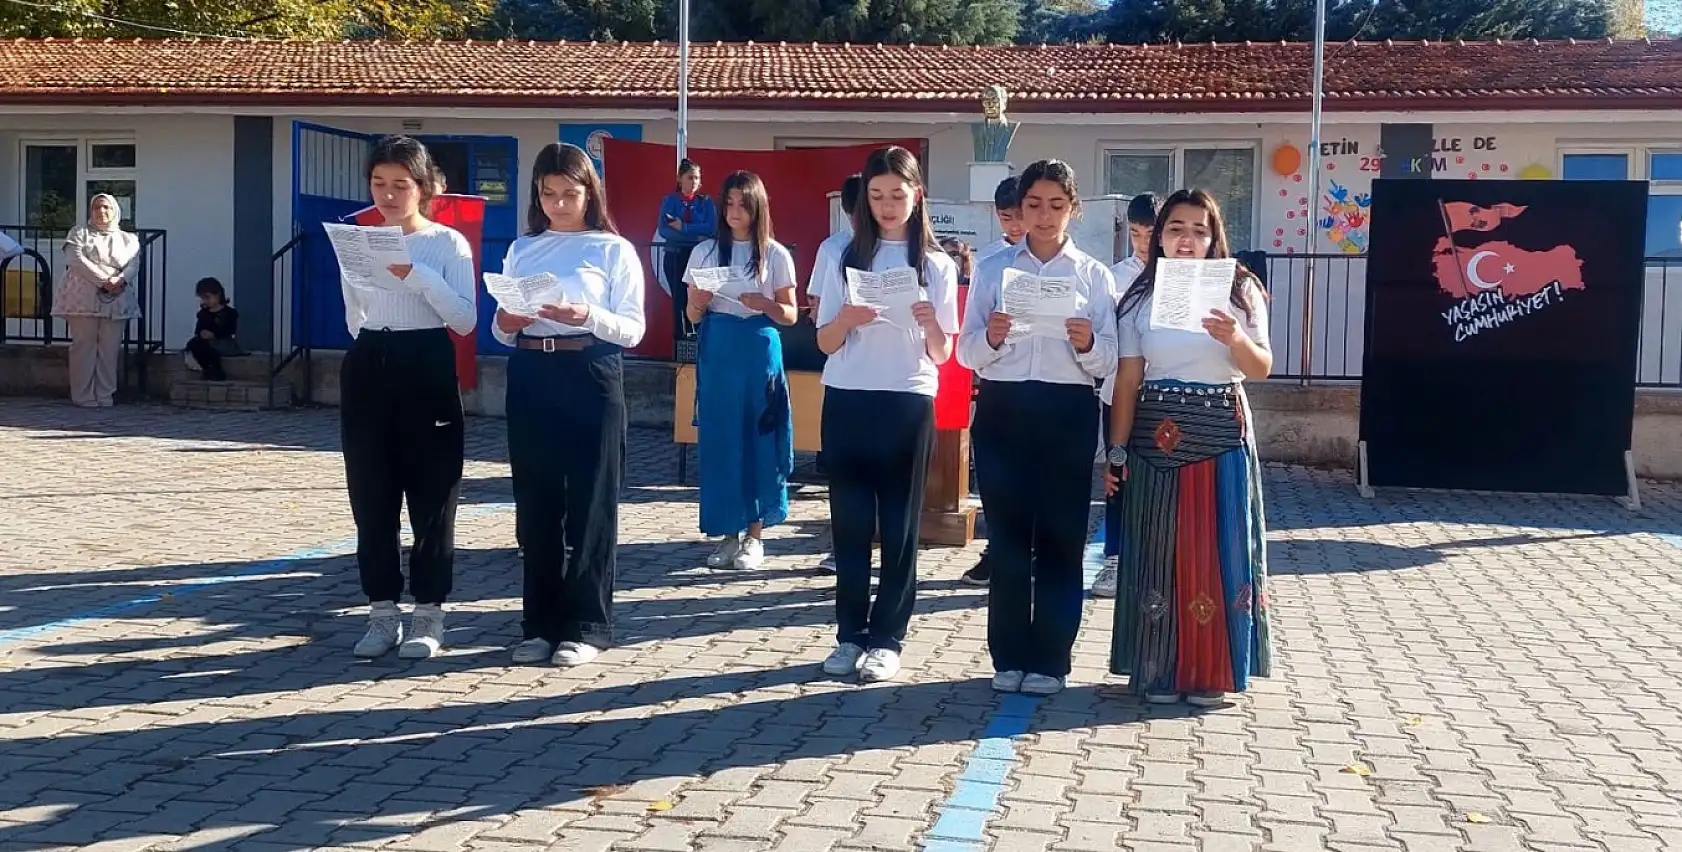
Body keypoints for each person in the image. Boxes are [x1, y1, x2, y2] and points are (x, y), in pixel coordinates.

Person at [1106, 188, 1274, 707]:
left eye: (1200, 229)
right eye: (1177, 228)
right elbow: (1128, 380)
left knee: (1219, 551)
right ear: (1161, 236)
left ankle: (1211, 671)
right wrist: (1116, 453)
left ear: (1214, 236)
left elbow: (1262, 367)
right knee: (1158, 553)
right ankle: (1158, 669)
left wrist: (1234, 339)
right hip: (1155, 438)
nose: (1187, 239)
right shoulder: (1139, 295)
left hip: (1221, 434)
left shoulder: (1241, 290)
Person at [959, 159, 1118, 695]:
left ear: (1072, 209)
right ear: (1018, 210)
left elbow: (1110, 361)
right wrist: (995, 337)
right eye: (1033, 205)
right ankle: (1007, 656)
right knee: (1006, 539)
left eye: (1055, 205)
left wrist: (1089, 344)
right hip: (1003, 410)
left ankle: (1051, 659)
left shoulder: (1094, 275)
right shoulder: (991, 268)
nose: (1044, 216)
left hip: (1066, 412)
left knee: (1060, 539)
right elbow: (967, 352)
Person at [812, 145, 959, 683]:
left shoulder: (936, 264)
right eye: (876, 196)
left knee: (899, 526)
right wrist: (847, 318)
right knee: (849, 524)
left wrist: (929, 323)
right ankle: (849, 634)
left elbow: (945, 353)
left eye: (897, 195)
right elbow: (824, 341)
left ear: (916, 195)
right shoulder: (840, 254)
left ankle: (888, 637)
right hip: (849, 396)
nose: (887, 206)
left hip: (907, 399)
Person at [496, 142, 646, 668]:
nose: (559, 203)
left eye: (570, 193)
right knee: (535, 503)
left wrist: (585, 314)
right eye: (548, 193)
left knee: (591, 500)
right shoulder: (523, 248)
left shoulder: (612, 249)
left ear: (589, 194)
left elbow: (633, 327)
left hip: (591, 371)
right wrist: (508, 323)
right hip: (533, 370)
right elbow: (501, 324)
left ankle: (586, 625)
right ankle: (538, 623)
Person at [340, 135, 477, 661]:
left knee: (432, 495)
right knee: (371, 496)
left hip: (426, 360)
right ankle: (381, 612)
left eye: (401, 185)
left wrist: (418, 279)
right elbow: (354, 312)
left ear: (423, 188)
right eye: (379, 184)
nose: (389, 196)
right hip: (371, 360)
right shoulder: (358, 237)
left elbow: (464, 319)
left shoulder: (445, 244)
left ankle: (429, 613)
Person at [684, 170, 798, 571]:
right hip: (719, 348)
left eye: (742, 205)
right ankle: (726, 534)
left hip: (758, 349)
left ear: (757, 208)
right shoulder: (705, 252)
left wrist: (764, 304)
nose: (734, 212)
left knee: (758, 439)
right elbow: (691, 314)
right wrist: (699, 300)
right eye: (728, 204)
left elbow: (790, 313)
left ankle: (755, 534)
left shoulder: (775, 254)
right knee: (722, 440)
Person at [1092, 192, 1162, 599]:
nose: (1141, 243)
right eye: (1135, 234)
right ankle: (1115, 559)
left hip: (1163, 396)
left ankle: (1155, 559)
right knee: (1118, 476)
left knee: (1160, 477)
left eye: (1149, 233)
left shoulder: (1181, 278)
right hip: (1117, 394)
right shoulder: (1113, 277)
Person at [960, 175, 1027, 587]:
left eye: (1022, 215)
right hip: (999, 384)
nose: (1016, 226)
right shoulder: (989, 264)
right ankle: (997, 549)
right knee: (998, 479)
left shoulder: (1072, 266)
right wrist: (991, 338)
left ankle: (1030, 553)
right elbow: (970, 340)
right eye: (1007, 218)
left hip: (1045, 387)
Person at [808, 173, 863, 575]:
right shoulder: (834, 248)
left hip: (892, 380)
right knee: (845, 474)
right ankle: (840, 547)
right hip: (843, 366)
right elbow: (815, 303)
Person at [53, 194, 139, 408]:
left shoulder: (128, 239)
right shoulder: (79, 233)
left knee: (110, 348)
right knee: (84, 345)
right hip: (83, 296)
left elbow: (133, 264)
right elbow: (76, 260)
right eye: (97, 208)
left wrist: (118, 280)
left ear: (115, 211)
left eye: (106, 208)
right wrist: (103, 280)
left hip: (116, 295)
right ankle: (83, 395)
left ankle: (105, 394)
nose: (102, 212)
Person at [658, 159, 717, 335]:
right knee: (679, 299)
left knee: (700, 298)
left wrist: (683, 227)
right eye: (690, 177)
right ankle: (680, 342)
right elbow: (664, 230)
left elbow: (711, 228)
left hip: (698, 257)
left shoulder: (705, 202)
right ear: (680, 179)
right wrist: (696, 234)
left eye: (697, 178)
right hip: (675, 255)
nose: (694, 182)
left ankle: (701, 338)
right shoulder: (670, 201)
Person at [184, 277, 244, 382]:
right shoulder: (203, 314)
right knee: (196, 344)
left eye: (208, 297)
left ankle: (216, 371)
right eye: (203, 298)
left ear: (218, 294)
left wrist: (214, 334)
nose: (205, 301)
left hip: (223, 342)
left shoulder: (230, 313)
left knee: (208, 348)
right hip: (206, 342)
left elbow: (230, 330)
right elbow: (198, 329)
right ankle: (209, 369)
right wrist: (202, 333)